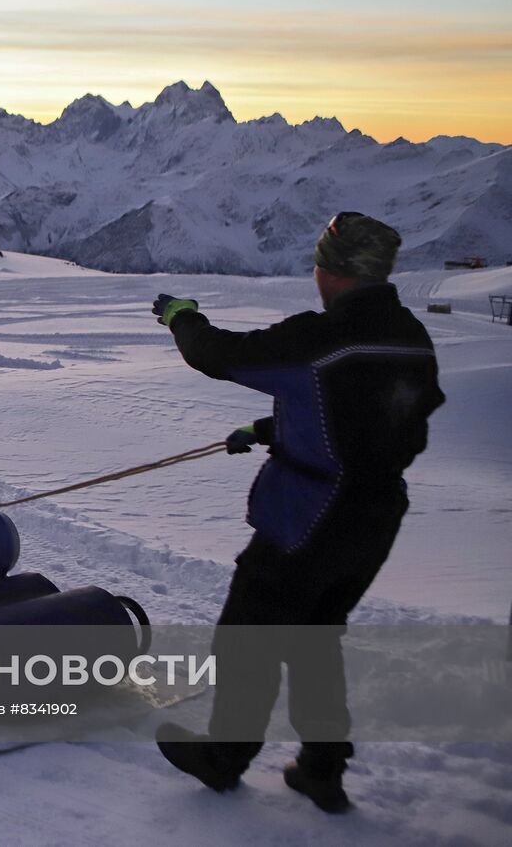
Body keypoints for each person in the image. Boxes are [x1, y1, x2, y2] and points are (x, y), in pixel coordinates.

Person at [151, 213, 445, 813]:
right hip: (376, 517)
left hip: (311, 514)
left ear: (332, 272)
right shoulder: (411, 336)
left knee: (247, 636)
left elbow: (220, 355)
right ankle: (322, 768)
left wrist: (182, 317)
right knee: (316, 639)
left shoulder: (321, 338)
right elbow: (374, 420)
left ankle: (224, 758)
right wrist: (271, 428)